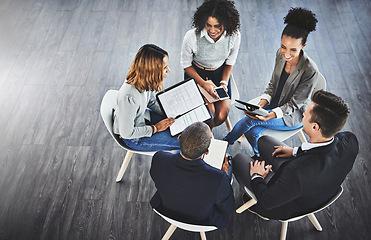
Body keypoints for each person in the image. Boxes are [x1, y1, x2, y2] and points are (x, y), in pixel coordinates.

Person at [232, 90, 359, 220]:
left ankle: (255, 191)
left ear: (315, 127)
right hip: (317, 189)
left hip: (285, 205)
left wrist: (257, 176)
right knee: (263, 141)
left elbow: (267, 202)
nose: (303, 113)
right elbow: (323, 150)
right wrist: (295, 151)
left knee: (238, 159)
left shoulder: (296, 172)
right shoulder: (350, 140)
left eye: (305, 115)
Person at [223, 7, 319, 158]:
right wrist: (262, 102)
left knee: (249, 121)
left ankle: (223, 144)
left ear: (303, 46)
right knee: (252, 131)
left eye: (293, 50)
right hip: (274, 102)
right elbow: (273, 84)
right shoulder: (279, 55)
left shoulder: (310, 70)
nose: (286, 54)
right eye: (283, 47)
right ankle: (259, 155)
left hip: (292, 115)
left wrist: (270, 115)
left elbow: (295, 104)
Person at [150, 122, 235, 228]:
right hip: (201, 220)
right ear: (207, 152)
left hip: (166, 210)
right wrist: (225, 173)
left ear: (179, 138)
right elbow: (228, 206)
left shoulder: (159, 158)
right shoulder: (219, 177)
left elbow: (155, 177)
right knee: (228, 164)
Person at [181, 0, 241, 129]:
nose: (212, 30)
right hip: (197, 75)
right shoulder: (191, 37)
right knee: (208, 114)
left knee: (221, 115)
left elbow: (230, 62)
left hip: (220, 74)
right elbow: (186, 65)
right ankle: (205, 134)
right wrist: (202, 83)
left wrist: (224, 83)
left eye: (218, 26)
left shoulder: (234, 36)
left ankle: (204, 132)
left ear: (227, 23)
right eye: (209, 25)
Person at [113, 44, 180, 151]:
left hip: (143, 119)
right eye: (165, 68)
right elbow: (126, 133)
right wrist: (156, 128)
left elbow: (151, 102)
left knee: (186, 128)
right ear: (152, 70)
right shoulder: (129, 96)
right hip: (134, 138)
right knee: (186, 142)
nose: (169, 70)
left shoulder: (144, 80)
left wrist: (171, 112)